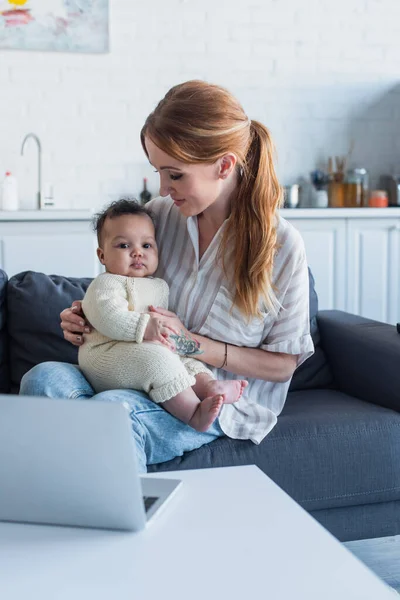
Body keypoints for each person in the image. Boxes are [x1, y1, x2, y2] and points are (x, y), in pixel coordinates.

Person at [20, 80, 314, 473]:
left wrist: (190, 344)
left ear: (224, 165)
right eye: (158, 172)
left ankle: (107, 514)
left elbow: (282, 365)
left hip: (207, 398)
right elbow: (121, 287)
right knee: (43, 379)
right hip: (133, 372)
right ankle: (73, 495)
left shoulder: (281, 245)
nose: (162, 188)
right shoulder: (159, 216)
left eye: (175, 175)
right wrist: (86, 315)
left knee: (112, 414)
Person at [79, 198, 247, 432]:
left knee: (183, 358)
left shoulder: (159, 286)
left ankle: (209, 386)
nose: (137, 252)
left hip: (145, 349)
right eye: (124, 246)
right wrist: (146, 327)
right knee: (156, 360)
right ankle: (193, 414)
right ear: (102, 255)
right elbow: (109, 316)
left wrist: (168, 340)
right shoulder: (106, 284)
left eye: (146, 246)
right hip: (106, 354)